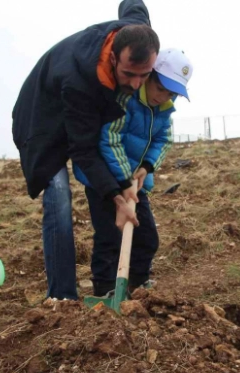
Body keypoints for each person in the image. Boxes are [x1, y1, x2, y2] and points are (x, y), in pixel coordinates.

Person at [12, 0, 159, 300]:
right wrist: (118, 198)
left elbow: (132, 6)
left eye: (144, 75)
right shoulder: (79, 81)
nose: (135, 83)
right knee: (59, 199)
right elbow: (84, 150)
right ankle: (62, 296)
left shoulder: (136, 33)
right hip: (41, 119)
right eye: (129, 73)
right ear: (115, 57)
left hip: (75, 110)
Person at [73, 49, 192, 296]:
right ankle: (105, 291)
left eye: (172, 93)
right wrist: (124, 180)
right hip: (105, 183)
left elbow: (163, 141)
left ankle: (137, 285)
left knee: (147, 237)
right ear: (149, 76)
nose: (164, 97)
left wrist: (147, 168)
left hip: (137, 186)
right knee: (109, 238)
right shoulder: (124, 102)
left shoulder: (165, 113)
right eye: (161, 88)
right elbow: (109, 140)